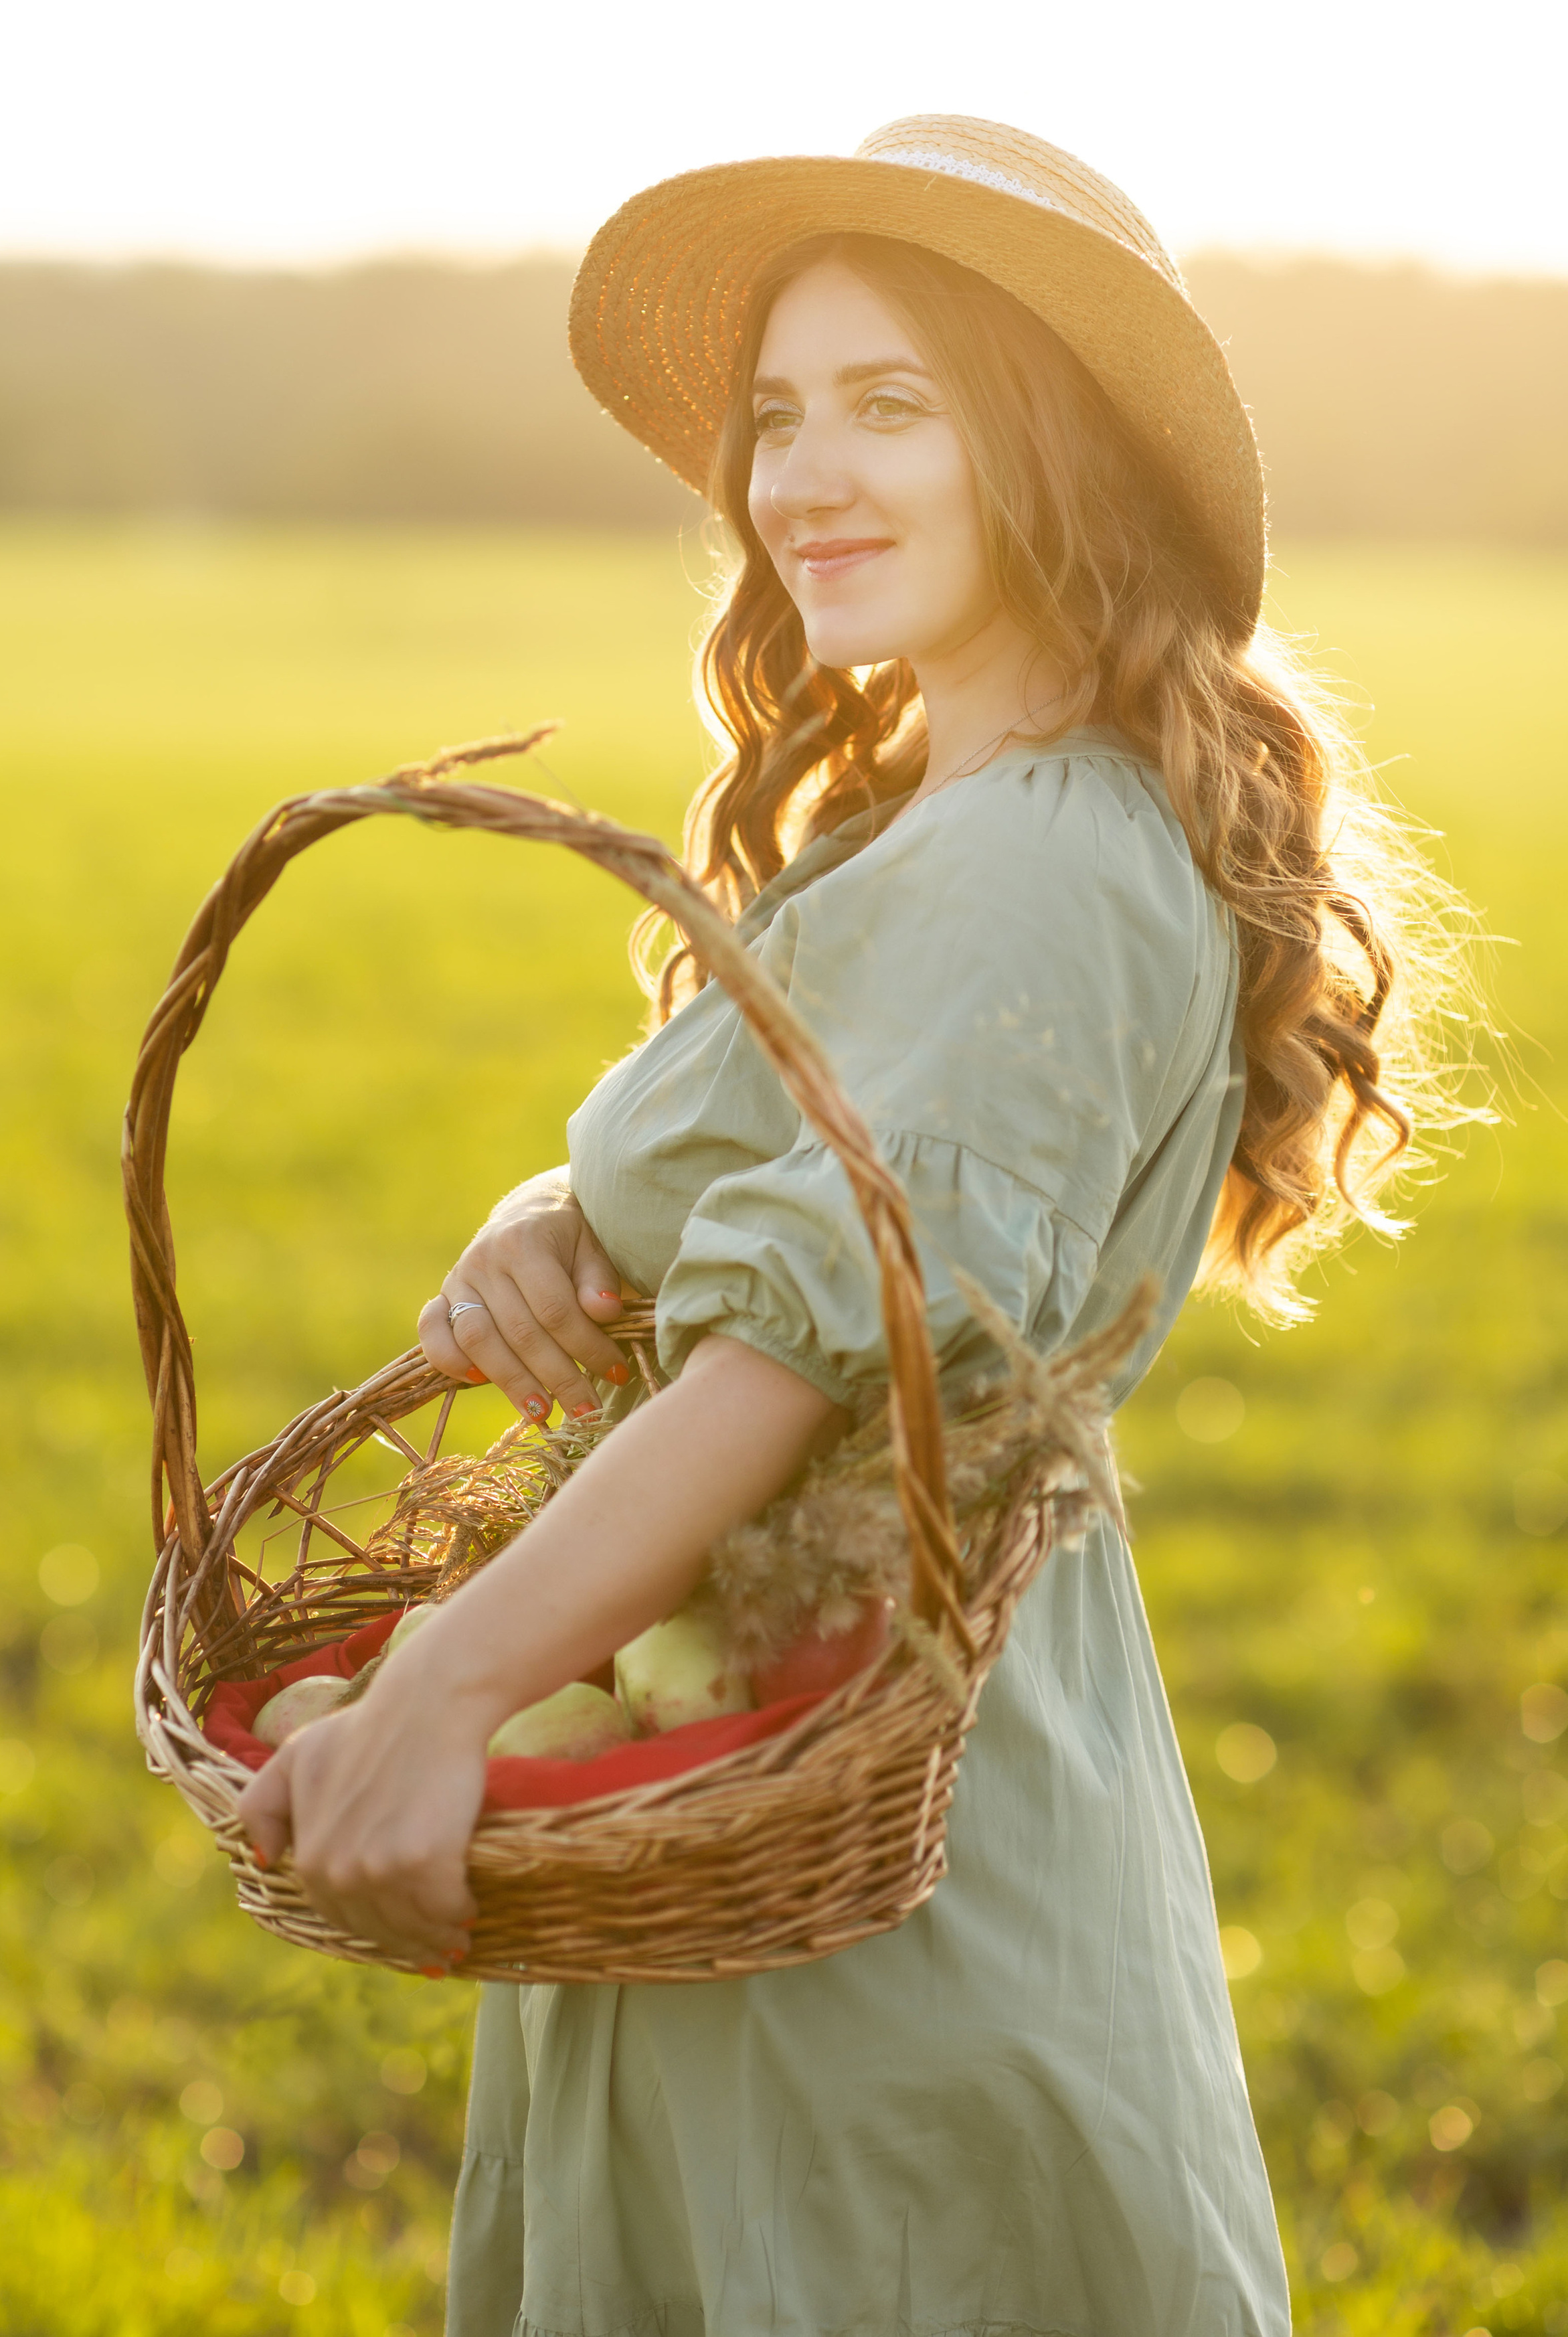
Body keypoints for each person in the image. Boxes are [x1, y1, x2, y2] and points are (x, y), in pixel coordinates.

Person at [239, 116, 1466, 2337]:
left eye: (893, 404)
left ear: (1051, 445)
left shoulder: (1039, 864)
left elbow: (797, 1353)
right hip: (752, 1780)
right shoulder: (950, 829)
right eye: (780, 414)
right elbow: (815, 1187)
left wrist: (446, 1682)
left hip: (882, 1884)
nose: (806, 471)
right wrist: (564, 1213)